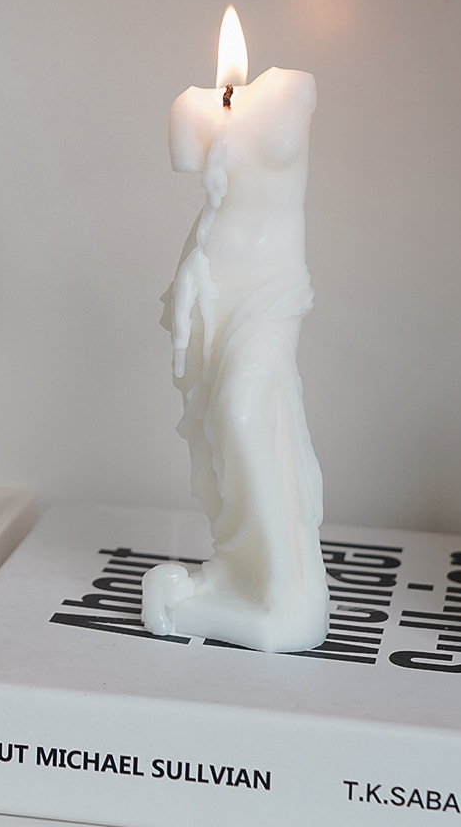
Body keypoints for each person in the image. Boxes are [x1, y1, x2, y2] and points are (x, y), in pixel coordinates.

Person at [142, 66, 329, 653]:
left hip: (272, 290)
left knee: (244, 412)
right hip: (214, 287)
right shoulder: (194, 106)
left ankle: (284, 587)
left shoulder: (294, 88)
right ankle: (239, 567)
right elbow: (182, 159)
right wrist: (207, 112)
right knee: (215, 433)